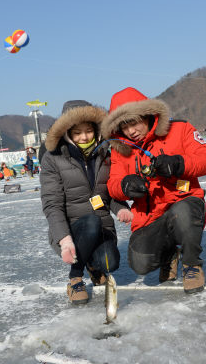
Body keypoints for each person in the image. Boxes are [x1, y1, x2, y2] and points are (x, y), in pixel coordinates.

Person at [101, 87, 206, 294]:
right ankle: (169, 254)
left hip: (184, 202)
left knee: (183, 214)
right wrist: (126, 185)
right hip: (150, 216)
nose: (130, 131)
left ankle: (191, 264)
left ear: (147, 115)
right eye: (123, 126)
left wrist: (179, 164)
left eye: (134, 122)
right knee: (140, 263)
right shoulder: (120, 148)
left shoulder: (180, 129)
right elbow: (113, 184)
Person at [40, 100, 133, 305]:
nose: (84, 137)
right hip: (72, 230)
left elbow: (110, 192)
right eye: (77, 132)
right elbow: (52, 204)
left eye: (89, 130)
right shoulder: (52, 159)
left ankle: (93, 265)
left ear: (96, 129)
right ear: (67, 133)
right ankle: (75, 278)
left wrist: (121, 209)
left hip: (102, 227)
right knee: (90, 222)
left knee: (110, 264)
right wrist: (64, 240)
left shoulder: (105, 153)